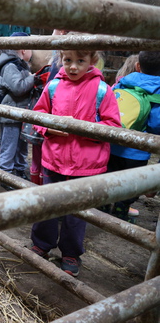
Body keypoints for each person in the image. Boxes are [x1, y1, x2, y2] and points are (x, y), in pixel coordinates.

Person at [30, 48, 121, 277]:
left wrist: (81, 129)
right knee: (48, 204)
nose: (72, 66)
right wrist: (48, 128)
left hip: (86, 165)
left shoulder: (103, 90)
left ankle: (70, 253)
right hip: (54, 159)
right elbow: (37, 116)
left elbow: (113, 127)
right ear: (61, 58)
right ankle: (41, 243)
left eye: (80, 61)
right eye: (68, 60)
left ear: (92, 61)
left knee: (76, 212)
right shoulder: (53, 87)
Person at [104, 51, 160, 222]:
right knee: (131, 183)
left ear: (137, 66)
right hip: (137, 150)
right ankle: (122, 209)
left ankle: (103, 206)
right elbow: (156, 124)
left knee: (109, 176)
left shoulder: (123, 82)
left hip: (113, 142)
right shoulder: (157, 91)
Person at [0, 32, 34, 189]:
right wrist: (34, 77)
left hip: (21, 111)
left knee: (21, 145)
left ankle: (19, 170)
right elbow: (18, 87)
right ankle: (5, 175)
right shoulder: (10, 66)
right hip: (11, 113)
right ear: (23, 49)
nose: (32, 52)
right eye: (31, 48)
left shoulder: (19, 65)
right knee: (9, 145)